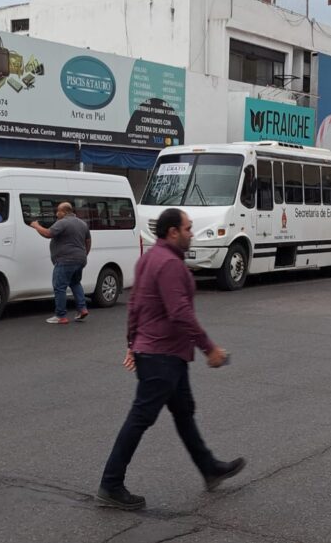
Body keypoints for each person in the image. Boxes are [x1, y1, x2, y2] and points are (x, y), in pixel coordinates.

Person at [96, 208, 245, 511]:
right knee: (141, 418)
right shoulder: (169, 264)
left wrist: (132, 343)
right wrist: (209, 348)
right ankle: (111, 484)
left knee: (183, 411)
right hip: (161, 355)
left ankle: (209, 468)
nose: (192, 232)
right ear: (173, 232)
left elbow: (135, 305)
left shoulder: (150, 258)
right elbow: (180, 314)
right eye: (188, 228)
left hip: (160, 352)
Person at [30, 202, 91, 324]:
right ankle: (82, 309)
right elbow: (88, 241)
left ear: (64, 212)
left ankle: (60, 315)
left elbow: (48, 233)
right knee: (75, 283)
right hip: (80, 259)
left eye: (58, 211)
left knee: (59, 287)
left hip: (65, 260)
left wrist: (36, 226)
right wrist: (84, 254)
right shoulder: (82, 223)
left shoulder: (63, 222)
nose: (56, 214)